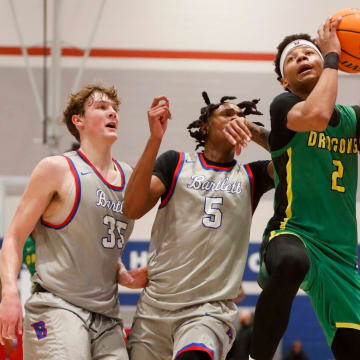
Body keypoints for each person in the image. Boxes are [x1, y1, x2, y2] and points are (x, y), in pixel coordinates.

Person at [0, 83, 146, 359]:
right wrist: (8, 293)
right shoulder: (56, 169)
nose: (112, 113)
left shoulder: (129, 175)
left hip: (107, 316)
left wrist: (123, 274)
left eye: (114, 109)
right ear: (78, 121)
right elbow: (14, 238)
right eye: (102, 108)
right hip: (58, 306)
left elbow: (92, 240)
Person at [123, 92, 274, 360]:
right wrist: (154, 139)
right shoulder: (175, 164)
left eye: (242, 117)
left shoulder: (253, 176)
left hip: (208, 311)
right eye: (228, 114)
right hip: (155, 308)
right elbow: (132, 208)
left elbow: (296, 161)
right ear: (205, 126)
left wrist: (257, 131)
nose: (237, 119)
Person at [250, 17, 360, 360]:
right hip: (293, 233)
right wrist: (329, 57)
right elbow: (315, 117)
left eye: (308, 52)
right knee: (292, 262)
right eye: (292, 58)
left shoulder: (354, 120)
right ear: (285, 81)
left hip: (341, 253)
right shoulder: (282, 106)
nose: (302, 57)